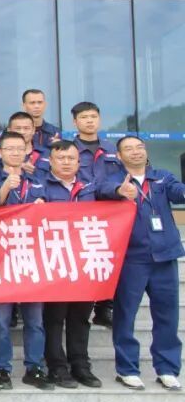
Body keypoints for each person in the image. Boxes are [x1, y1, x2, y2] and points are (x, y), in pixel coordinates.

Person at [97, 136, 184, 391]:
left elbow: (178, 192)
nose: (135, 152)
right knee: (125, 315)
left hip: (164, 256)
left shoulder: (162, 177)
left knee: (167, 315)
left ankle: (167, 368)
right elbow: (102, 190)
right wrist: (119, 191)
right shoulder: (115, 179)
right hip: (131, 258)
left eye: (139, 147)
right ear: (119, 155)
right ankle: (127, 369)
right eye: (128, 149)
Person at [0, 131, 53, 390]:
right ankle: (3, 369)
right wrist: (4, 189)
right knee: (1, 319)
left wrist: (44, 207)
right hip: (1, 259)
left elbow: (54, 215)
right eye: (9, 149)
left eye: (19, 148)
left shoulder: (38, 181)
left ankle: (34, 367)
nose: (14, 153)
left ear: (26, 152)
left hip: (31, 258)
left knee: (35, 320)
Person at [40, 139, 101, 389]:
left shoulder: (91, 187)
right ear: (50, 161)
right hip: (55, 261)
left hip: (85, 261)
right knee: (54, 318)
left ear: (79, 162)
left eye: (71, 158)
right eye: (61, 158)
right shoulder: (41, 187)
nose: (66, 162)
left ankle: (80, 365)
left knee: (81, 317)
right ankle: (57, 366)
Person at [70, 101, 122, 328]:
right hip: (79, 215)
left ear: (99, 119)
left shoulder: (112, 149)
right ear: (75, 122)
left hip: (110, 215)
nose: (89, 121)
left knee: (109, 259)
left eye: (93, 116)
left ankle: (104, 307)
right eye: (84, 117)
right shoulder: (68, 149)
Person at [6, 111, 51, 179]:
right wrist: (17, 166)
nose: (22, 132)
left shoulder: (47, 154)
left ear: (33, 130)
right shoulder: (1, 155)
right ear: (9, 131)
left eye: (26, 128)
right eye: (18, 128)